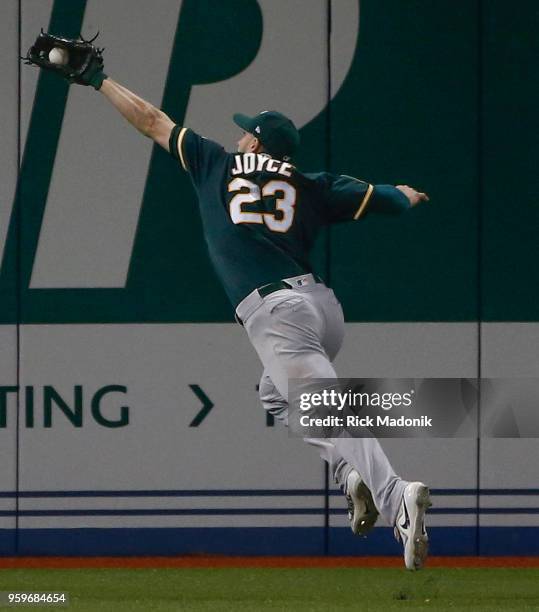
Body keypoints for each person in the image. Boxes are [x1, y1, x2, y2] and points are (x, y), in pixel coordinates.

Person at [46, 59, 433, 568]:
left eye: (244, 133)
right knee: (276, 394)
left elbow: (150, 118)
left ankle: (396, 497)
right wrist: (409, 194)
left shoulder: (216, 164)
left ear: (253, 143)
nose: (238, 139)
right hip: (320, 309)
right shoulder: (312, 183)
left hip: (276, 311)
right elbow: (393, 199)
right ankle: (350, 474)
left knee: (329, 407)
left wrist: (98, 80)